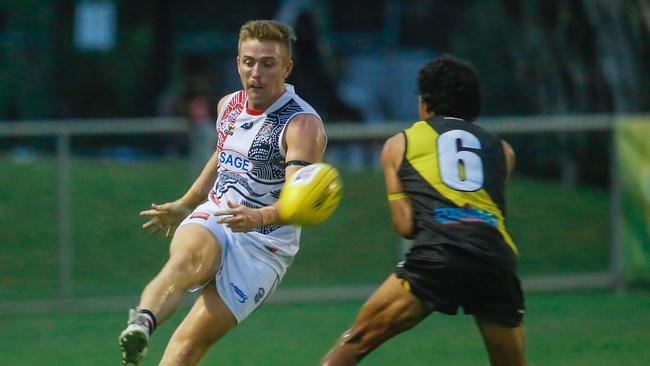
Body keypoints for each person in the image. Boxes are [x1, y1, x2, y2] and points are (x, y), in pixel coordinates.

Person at [118, 19, 327, 365]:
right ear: (237, 63)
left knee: (188, 345)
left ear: (287, 68)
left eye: (267, 63)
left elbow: (298, 201)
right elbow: (222, 156)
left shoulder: (302, 125)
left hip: (265, 245)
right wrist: (186, 204)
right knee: (186, 260)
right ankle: (141, 324)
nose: (256, 72)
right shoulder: (228, 105)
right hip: (219, 214)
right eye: (248, 61)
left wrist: (257, 216)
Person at [320, 55, 526, 366]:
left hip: (438, 256)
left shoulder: (399, 144)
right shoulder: (503, 150)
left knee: (357, 341)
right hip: (494, 258)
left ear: (425, 103)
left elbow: (405, 226)